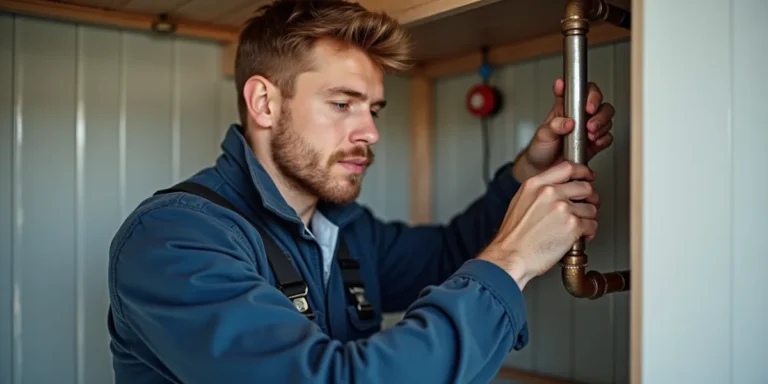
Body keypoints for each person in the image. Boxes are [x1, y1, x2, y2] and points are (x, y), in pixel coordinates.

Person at [106, 0, 615, 383]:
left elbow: (451, 255)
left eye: (374, 109)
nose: (370, 133)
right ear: (264, 102)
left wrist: (530, 170)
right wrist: (512, 263)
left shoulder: (345, 230)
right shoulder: (174, 240)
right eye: (342, 103)